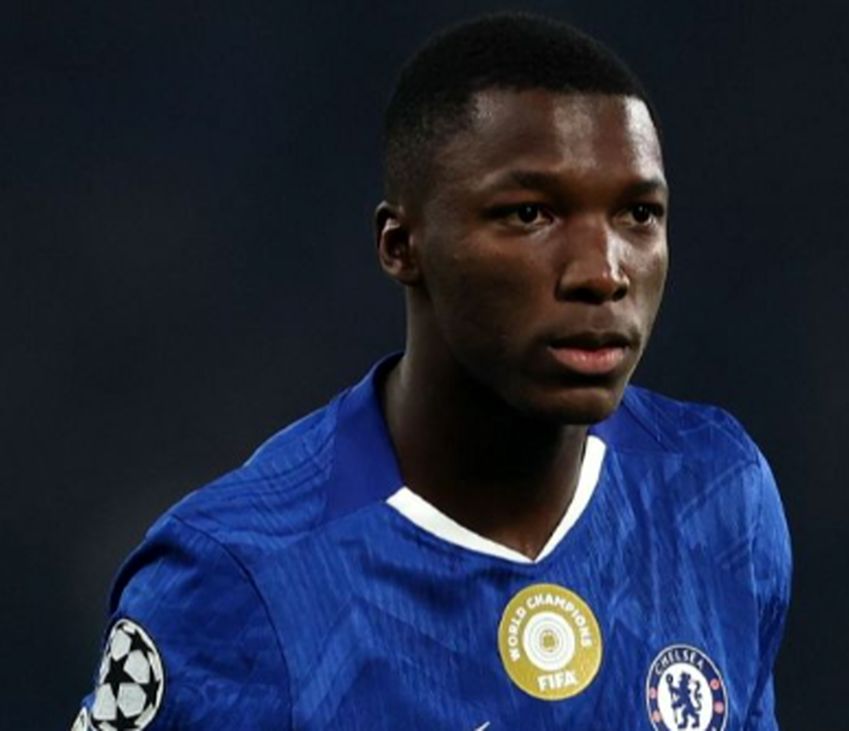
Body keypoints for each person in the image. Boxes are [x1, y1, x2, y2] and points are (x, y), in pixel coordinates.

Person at [71, 12, 791, 730]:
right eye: (530, 213)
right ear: (400, 246)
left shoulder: (714, 492)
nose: (603, 273)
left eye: (638, 214)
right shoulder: (235, 579)